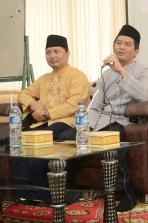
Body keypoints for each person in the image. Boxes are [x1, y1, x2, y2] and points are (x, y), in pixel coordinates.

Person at [60, 24, 148, 211]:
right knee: (67, 139)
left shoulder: (143, 71)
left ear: (136, 51)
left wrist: (121, 71)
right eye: (118, 43)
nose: (121, 47)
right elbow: (95, 105)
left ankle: (127, 194)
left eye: (127, 44)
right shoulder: (105, 75)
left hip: (126, 122)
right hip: (103, 121)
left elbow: (145, 95)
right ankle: (65, 191)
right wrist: (87, 126)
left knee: (112, 142)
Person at [10, 34, 90, 204]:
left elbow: (74, 104)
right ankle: (23, 193)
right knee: (17, 141)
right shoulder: (43, 79)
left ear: (67, 54)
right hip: (42, 123)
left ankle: (46, 195)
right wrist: (34, 104)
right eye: (48, 52)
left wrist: (47, 113)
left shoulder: (78, 76)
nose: (52, 56)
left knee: (41, 142)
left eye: (56, 51)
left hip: (67, 123)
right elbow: (23, 93)